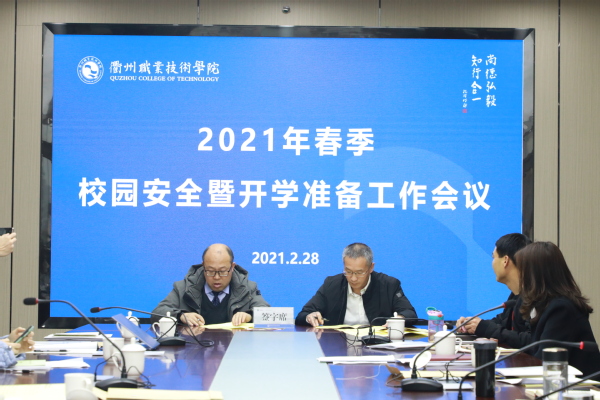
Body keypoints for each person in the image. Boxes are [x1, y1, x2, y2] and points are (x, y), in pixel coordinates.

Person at [516, 241, 600, 376]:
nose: (519, 276)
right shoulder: (546, 305)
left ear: (534, 275)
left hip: (581, 386)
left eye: (521, 270)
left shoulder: (562, 309)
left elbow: (544, 360)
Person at [296, 242, 417, 327]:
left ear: (371, 267)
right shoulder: (331, 285)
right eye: (348, 271)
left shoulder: (388, 285)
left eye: (359, 273)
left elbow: (410, 313)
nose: (353, 278)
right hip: (338, 346)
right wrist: (309, 317)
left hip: (378, 346)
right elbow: (303, 315)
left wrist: (399, 319)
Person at [152, 243, 269, 327]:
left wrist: (249, 315)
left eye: (223, 271)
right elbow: (157, 312)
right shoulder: (184, 287)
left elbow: (267, 314)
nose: (216, 277)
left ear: (232, 267)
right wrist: (180, 316)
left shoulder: (247, 288)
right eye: (210, 271)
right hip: (194, 350)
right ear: (203, 266)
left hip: (235, 349)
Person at [457, 233, 531, 348]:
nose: (492, 263)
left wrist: (485, 328)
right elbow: (502, 322)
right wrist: (473, 324)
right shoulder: (515, 296)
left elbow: (529, 339)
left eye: (493, 257)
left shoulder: (534, 297)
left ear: (505, 261)